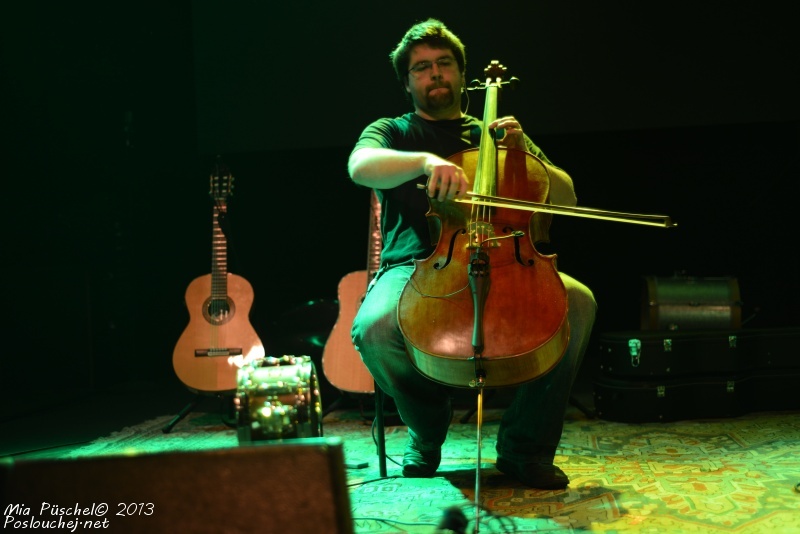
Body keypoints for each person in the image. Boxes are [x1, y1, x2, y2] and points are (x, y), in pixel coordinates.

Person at [348, 18, 597, 490]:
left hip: (507, 261)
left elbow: (564, 199)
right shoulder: (393, 131)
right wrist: (426, 162)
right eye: (422, 68)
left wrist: (525, 154)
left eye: (444, 64)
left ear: (463, 75)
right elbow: (360, 168)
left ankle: (526, 447)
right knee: (374, 328)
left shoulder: (495, 135)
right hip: (415, 266)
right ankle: (426, 427)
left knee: (578, 302)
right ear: (408, 81)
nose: (435, 73)